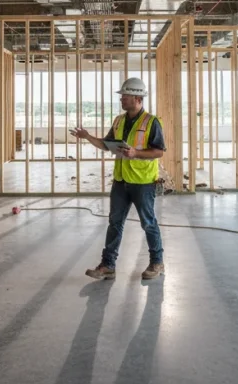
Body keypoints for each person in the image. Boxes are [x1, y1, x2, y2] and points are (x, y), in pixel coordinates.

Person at [70, 77, 166, 281]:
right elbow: (107, 145)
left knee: (148, 223)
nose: (121, 98)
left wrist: (136, 153)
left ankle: (157, 262)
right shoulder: (119, 120)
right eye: (122, 95)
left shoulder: (152, 122)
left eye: (125, 95)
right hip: (121, 181)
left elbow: (158, 152)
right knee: (114, 222)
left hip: (143, 182)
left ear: (138, 98)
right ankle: (108, 265)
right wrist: (87, 136)